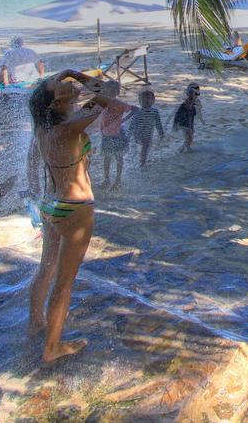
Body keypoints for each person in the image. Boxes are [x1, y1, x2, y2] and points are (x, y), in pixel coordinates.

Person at [24, 69, 125, 363]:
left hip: (51, 205)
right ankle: (52, 347)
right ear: (55, 104)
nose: (64, 81)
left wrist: (69, 84)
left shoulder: (47, 127)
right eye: (59, 84)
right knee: (65, 281)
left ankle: (35, 323)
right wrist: (75, 75)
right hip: (76, 207)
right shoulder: (70, 128)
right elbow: (111, 95)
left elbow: (108, 90)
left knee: (46, 268)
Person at [97, 81, 134, 188]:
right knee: (107, 157)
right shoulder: (103, 102)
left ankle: (118, 180)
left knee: (118, 157)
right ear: (105, 91)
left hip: (118, 134)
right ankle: (106, 179)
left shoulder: (120, 103)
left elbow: (135, 109)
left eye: (113, 92)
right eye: (108, 91)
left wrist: (124, 120)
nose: (110, 94)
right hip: (106, 135)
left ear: (117, 92)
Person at [129, 88, 166, 166]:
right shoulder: (138, 112)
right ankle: (142, 162)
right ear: (139, 101)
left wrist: (161, 133)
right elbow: (132, 124)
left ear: (153, 100)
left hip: (149, 134)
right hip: (138, 133)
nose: (146, 101)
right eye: (143, 100)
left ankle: (141, 159)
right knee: (145, 147)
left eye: (148, 99)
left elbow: (158, 123)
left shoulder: (155, 111)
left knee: (146, 147)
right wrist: (129, 135)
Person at [172, 83, 205, 152]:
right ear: (188, 94)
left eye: (197, 94)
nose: (195, 96)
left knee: (189, 138)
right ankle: (185, 149)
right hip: (183, 123)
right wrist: (175, 124)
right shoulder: (184, 104)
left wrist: (201, 121)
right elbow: (177, 114)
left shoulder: (194, 104)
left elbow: (196, 114)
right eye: (193, 94)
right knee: (189, 138)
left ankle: (183, 149)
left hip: (190, 123)